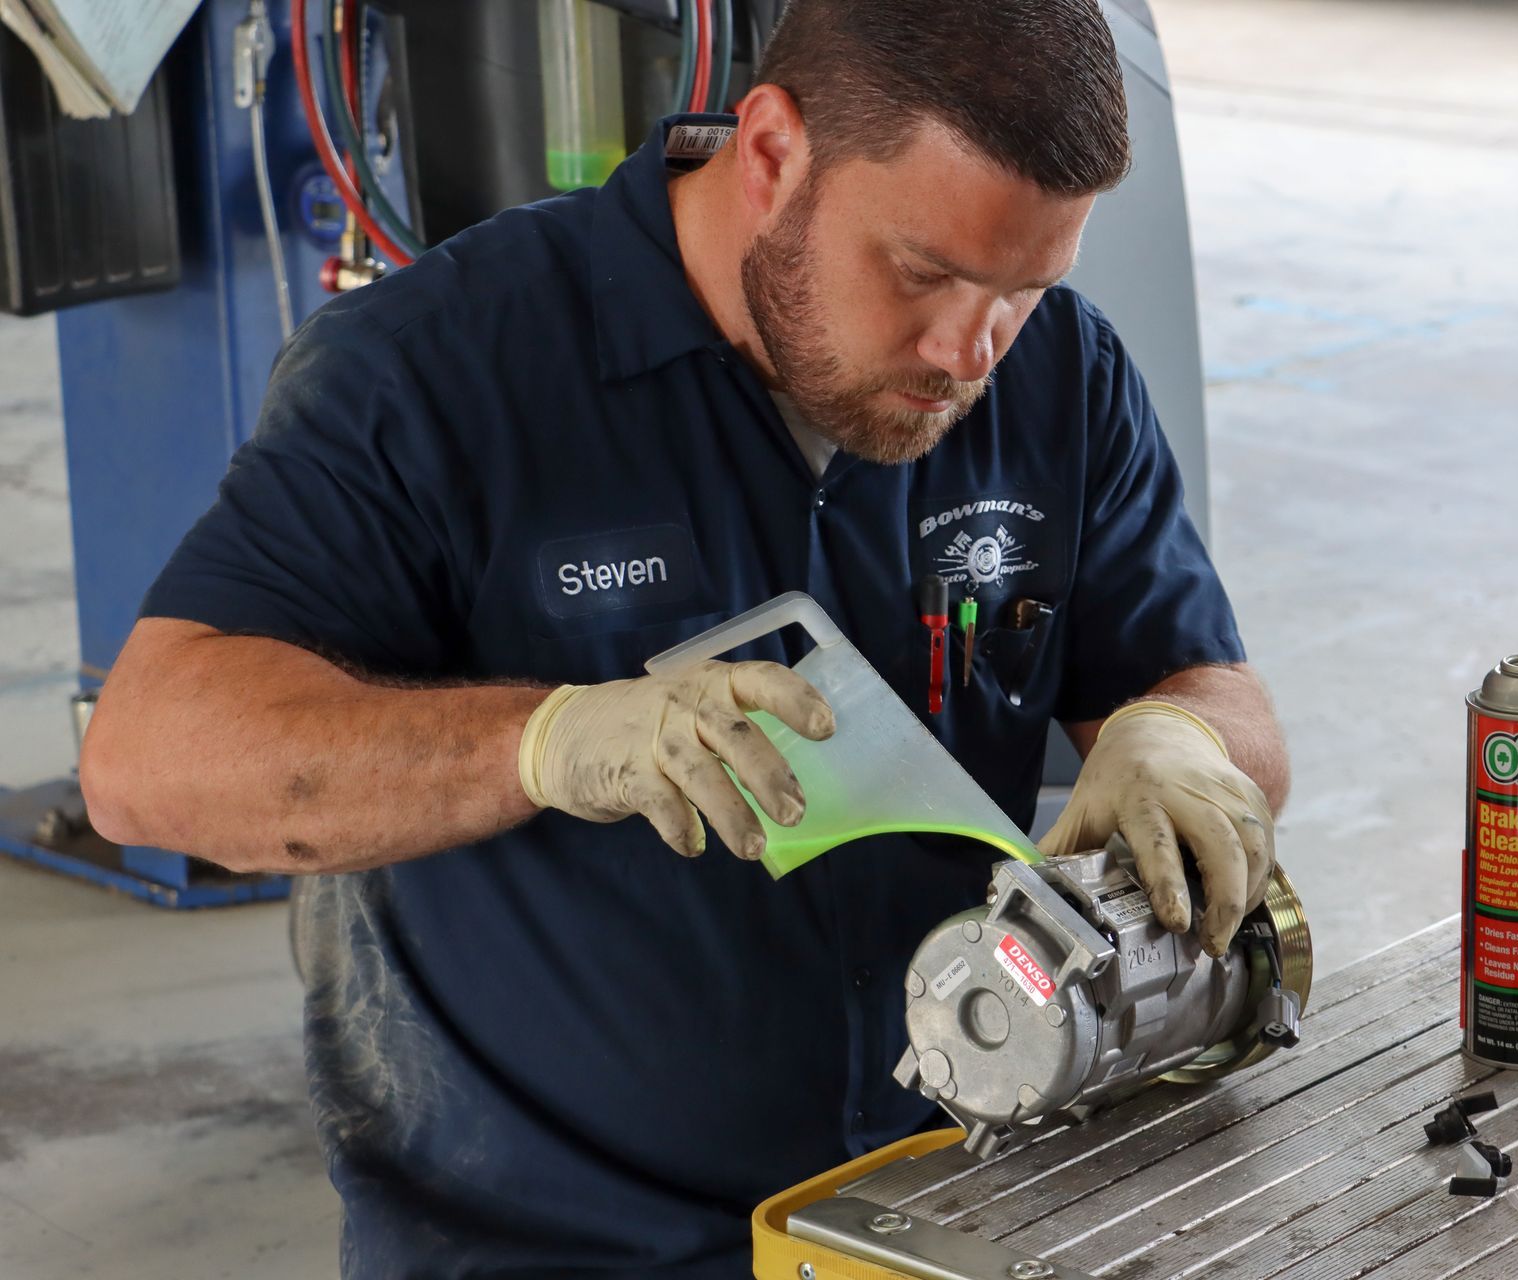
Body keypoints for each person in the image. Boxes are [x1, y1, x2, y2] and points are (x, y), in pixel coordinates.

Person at [78, 0, 1290, 1274]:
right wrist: (541, 743)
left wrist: (1181, 736)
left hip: (945, 1212)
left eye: (1024, 290)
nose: (966, 351)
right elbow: (146, 756)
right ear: (771, 154)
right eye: (925, 272)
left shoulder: (1062, 379)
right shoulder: (439, 371)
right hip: (559, 1245)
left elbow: (1217, 690)